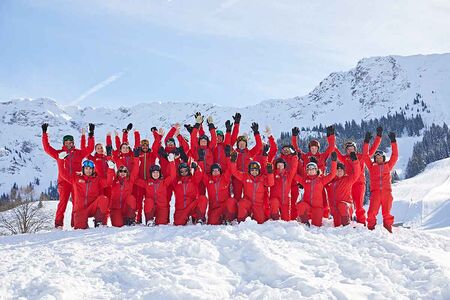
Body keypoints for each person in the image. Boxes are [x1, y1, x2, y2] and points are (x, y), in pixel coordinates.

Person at [41, 122, 95, 228]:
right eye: (67, 142)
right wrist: (44, 134)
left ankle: (76, 223)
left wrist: (91, 135)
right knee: (63, 203)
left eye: (71, 142)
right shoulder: (59, 153)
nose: (69, 144)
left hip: (76, 181)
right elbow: (47, 148)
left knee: (77, 203)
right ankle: (58, 225)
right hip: (64, 182)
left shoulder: (78, 153)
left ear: (73, 143)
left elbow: (90, 149)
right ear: (64, 143)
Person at [335, 126, 382, 224]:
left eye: (352, 148)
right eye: (348, 149)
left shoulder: (361, 157)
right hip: (348, 184)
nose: (350, 150)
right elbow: (335, 150)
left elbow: (372, 150)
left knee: (359, 205)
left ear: (355, 149)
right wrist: (330, 137)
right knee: (349, 204)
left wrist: (378, 136)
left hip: (359, 184)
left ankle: (362, 222)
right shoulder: (345, 159)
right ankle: (349, 220)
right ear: (346, 151)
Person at [292, 126, 336, 218]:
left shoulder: (322, 156)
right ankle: (306, 216)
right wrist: (294, 136)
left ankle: (324, 217)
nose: (313, 149)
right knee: (307, 200)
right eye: (312, 147)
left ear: (318, 148)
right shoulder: (305, 156)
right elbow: (296, 148)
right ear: (309, 148)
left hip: (321, 182)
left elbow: (331, 147)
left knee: (323, 201)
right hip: (308, 182)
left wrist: (330, 136)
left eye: (315, 147)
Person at [60, 159, 114, 229]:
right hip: (80, 210)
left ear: (93, 170)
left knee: (103, 199)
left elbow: (108, 182)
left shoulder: (97, 180)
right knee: (80, 228)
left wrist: (111, 169)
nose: (88, 170)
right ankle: (83, 223)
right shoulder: (75, 178)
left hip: (92, 207)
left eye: (90, 169)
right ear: (83, 169)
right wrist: (61, 160)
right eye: (86, 168)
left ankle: (99, 223)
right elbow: (63, 174)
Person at [363, 132, 398, 232]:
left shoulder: (388, 166)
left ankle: (388, 229)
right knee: (371, 213)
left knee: (386, 214)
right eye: (377, 158)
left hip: (387, 193)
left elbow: (395, 155)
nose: (378, 159)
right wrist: (366, 142)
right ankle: (371, 229)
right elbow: (365, 156)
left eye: (380, 157)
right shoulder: (371, 167)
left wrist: (393, 141)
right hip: (375, 193)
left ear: (383, 158)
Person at [295, 152, 337, 227]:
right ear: (307, 171)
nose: (311, 171)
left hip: (317, 208)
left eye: (313, 169)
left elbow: (333, 174)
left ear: (316, 170)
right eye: (309, 169)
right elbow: (294, 175)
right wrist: (295, 160)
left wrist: (334, 161)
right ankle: (305, 224)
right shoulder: (304, 180)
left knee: (316, 226)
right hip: (307, 206)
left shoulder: (321, 180)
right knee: (300, 205)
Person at [230, 152, 274, 224]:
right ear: (249, 170)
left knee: (260, 221)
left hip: (258, 204)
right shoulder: (245, 176)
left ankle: (253, 216)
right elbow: (235, 172)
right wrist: (233, 162)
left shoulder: (263, 178)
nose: (254, 172)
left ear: (259, 171)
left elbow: (270, 183)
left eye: (256, 170)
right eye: (252, 170)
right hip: (247, 202)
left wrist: (270, 173)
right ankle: (241, 221)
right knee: (242, 203)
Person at [135, 154, 176, 226]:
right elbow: (135, 179)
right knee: (148, 201)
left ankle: (159, 219)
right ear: (151, 174)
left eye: (157, 172)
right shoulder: (147, 183)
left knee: (161, 223)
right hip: (151, 206)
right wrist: (137, 162)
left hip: (161, 206)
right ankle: (149, 220)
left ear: (160, 173)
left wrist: (172, 162)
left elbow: (172, 176)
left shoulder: (164, 182)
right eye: (154, 172)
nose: (155, 174)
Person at [201, 145, 237, 225]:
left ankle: (227, 219)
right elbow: (202, 172)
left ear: (220, 171)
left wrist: (228, 157)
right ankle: (220, 218)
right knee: (212, 222)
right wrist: (200, 160)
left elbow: (229, 169)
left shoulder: (225, 178)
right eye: (213, 170)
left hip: (225, 206)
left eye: (217, 170)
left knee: (231, 201)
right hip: (214, 208)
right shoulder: (208, 180)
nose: (215, 171)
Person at [325, 152, 360, 227]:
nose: (339, 171)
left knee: (342, 205)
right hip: (335, 210)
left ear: (344, 171)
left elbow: (357, 173)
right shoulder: (330, 182)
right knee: (337, 225)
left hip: (347, 206)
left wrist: (355, 161)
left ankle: (347, 226)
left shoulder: (348, 179)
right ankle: (344, 227)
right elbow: (321, 181)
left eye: (341, 169)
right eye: (337, 169)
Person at [108, 147, 140, 227]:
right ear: (118, 172)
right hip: (116, 208)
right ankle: (120, 218)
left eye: (125, 171)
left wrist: (136, 157)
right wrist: (110, 168)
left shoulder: (130, 180)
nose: (122, 173)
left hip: (126, 208)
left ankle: (130, 218)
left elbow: (136, 169)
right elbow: (109, 180)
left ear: (127, 173)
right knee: (118, 224)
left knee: (131, 198)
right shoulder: (114, 181)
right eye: (120, 171)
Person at [231, 121, 263, 200]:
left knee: (248, 197)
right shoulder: (234, 153)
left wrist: (256, 133)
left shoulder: (250, 153)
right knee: (237, 197)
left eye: (243, 143)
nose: (241, 145)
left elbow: (259, 145)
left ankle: (246, 211)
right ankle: (236, 211)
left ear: (246, 144)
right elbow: (229, 143)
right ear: (237, 144)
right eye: (240, 143)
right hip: (237, 178)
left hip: (247, 177)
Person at [269, 155, 299, 221]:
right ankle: (274, 219)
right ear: (276, 166)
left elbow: (294, 167)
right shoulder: (273, 174)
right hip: (275, 199)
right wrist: (269, 173)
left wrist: (295, 156)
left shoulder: (288, 175)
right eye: (278, 165)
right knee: (274, 203)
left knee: (286, 220)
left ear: (284, 166)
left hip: (285, 200)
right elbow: (269, 182)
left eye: (281, 165)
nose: (280, 167)